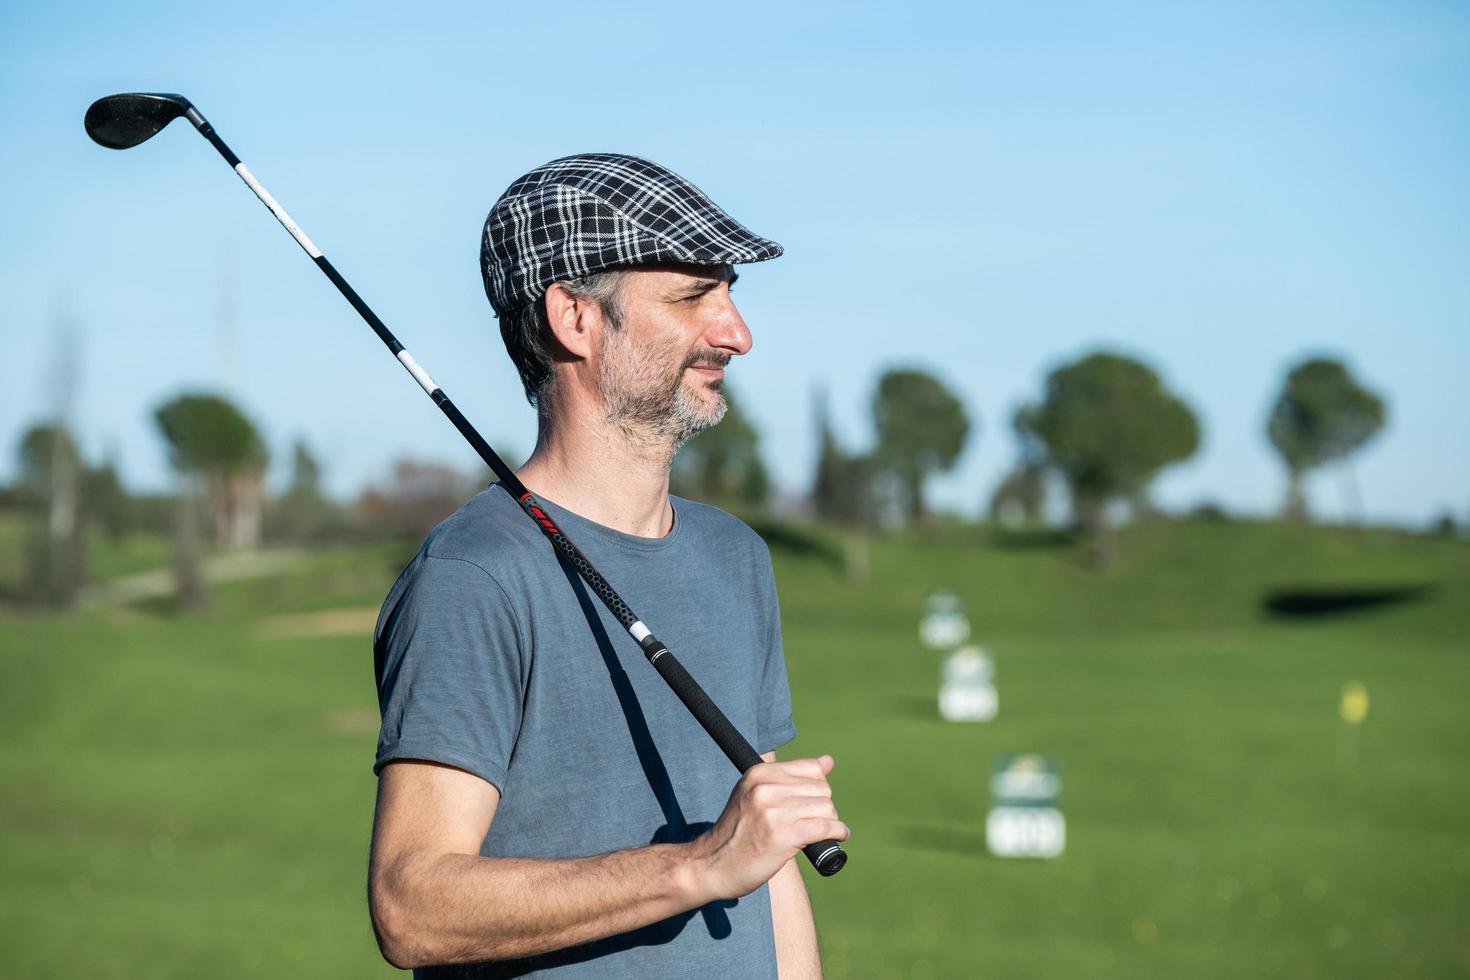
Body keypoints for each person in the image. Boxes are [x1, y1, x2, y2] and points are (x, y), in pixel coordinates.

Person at [368, 153, 848, 978]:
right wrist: (698, 867)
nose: (736, 332)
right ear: (575, 319)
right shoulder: (474, 575)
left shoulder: (736, 557)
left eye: (729, 293)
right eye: (694, 296)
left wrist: (744, 862)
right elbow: (412, 907)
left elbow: (770, 865)